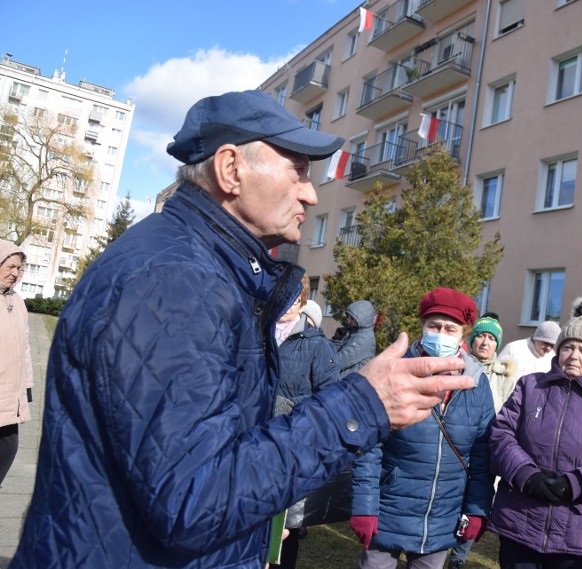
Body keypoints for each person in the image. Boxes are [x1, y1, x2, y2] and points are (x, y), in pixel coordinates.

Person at [10, 90, 476, 569]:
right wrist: (363, 405)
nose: (310, 193)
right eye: (298, 170)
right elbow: (192, 501)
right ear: (230, 169)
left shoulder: (197, 268)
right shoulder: (176, 282)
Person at [349, 287, 495, 569]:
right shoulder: (395, 370)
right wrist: (364, 508)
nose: (441, 334)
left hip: (442, 515)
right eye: (434, 326)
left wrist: (476, 510)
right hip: (388, 509)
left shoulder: (477, 383)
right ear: (422, 327)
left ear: (463, 335)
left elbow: (481, 454)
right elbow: (368, 447)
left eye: (450, 329)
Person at [487, 297, 582, 568]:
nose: (574, 355)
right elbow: (501, 435)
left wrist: (574, 483)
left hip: (576, 533)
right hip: (521, 519)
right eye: (568, 347)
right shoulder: (530, 386)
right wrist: (526, 475)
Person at [270, 274, 341, 569]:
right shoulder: (256, 335)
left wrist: (285, 407)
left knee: (284, 530)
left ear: (302, 303)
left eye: (294, 299)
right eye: (282, 297)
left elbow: (329, 400)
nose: (287, 305)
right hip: (248, 442)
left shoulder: (316, 346)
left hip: (291, 447)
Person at [448, 314, 518, 568]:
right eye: (481, 335)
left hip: (487, 450)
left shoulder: (507, 376)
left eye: (491, 338)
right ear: (472, 338)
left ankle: (458, 557)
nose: (485, 342)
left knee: (476, 504)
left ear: (497, 344)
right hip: (455, 448)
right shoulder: (456, 366)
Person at [0, 240, 32, 488]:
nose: (15, 273)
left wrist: (27, 387)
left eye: (19, 269)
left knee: (8, 449)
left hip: (9, 397)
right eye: (11, 266)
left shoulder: (17, 302)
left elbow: (25, 348)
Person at [334, 299, 377, 377]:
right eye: (348, 317)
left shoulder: (364, 340)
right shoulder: (357, 334)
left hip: (347, 386)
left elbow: (338, 362)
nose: (349, 321)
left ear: (362, 318)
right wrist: (335, 343)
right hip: (346, 383)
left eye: (352, 318)